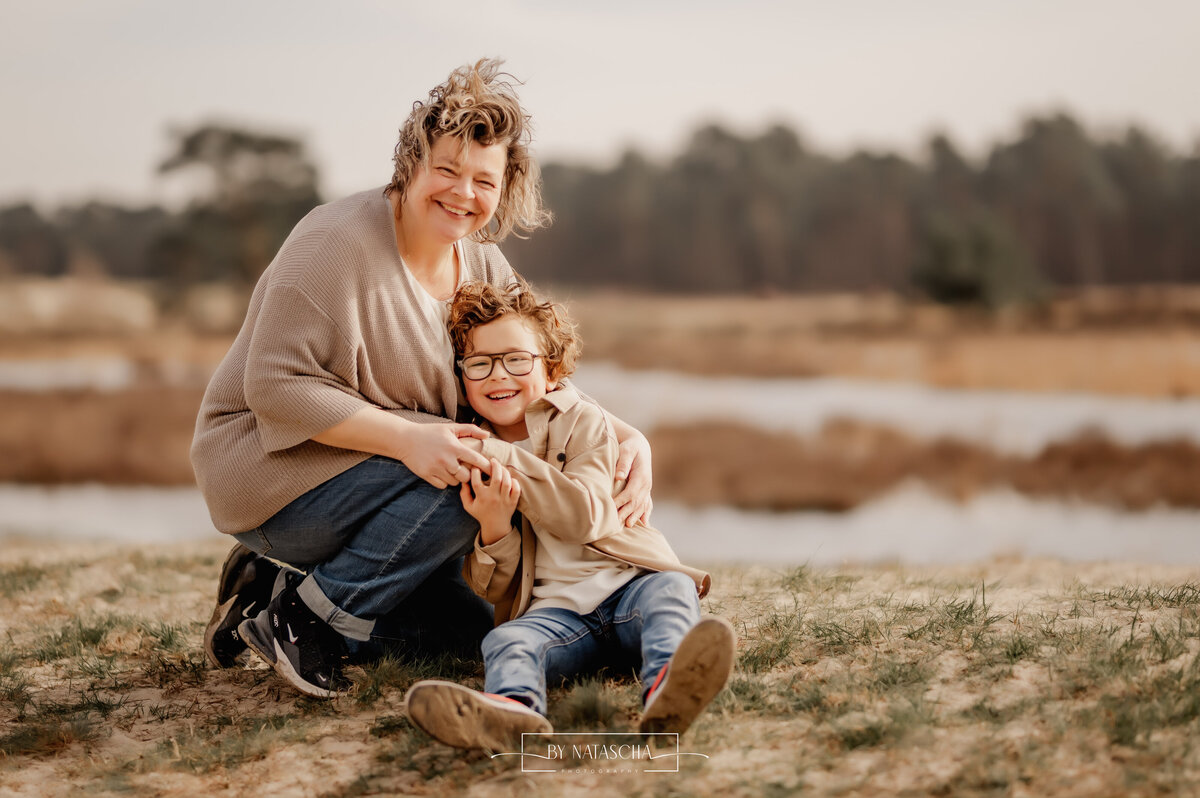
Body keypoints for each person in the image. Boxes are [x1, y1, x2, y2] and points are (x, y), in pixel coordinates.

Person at [191, 59, 656, 699]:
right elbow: (273, 387)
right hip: (272, 474)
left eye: (483, 180)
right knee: (473, 465)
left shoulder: (483, 261)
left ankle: (269, 591)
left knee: (468, 634)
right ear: (410, 164)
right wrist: (413, 441)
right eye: (448, 170)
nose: (464, 193)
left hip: (397, 482)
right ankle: (303, 620)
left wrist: (630, 437)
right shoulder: (333, 243)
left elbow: (533, 367)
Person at [402, 280, 735, 750]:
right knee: (507, 641)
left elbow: (588, 516)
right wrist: (495, 526)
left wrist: (502, 455)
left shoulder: (582, 421)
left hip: (629, 590)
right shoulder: (472, 455)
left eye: (517, 359)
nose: (498, 375)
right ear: (462, 376)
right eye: (479, 364)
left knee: (672, 592)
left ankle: (669, 690)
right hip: (556, 618)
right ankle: (514, 712)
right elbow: (491, 589)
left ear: (552, 370)